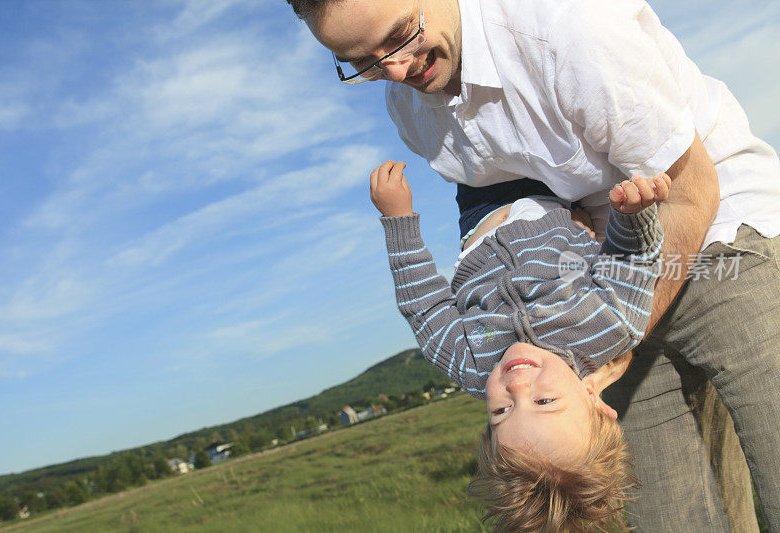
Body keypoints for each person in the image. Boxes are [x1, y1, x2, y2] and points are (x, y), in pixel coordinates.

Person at [291, 0, 780, 528]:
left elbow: (689, 193)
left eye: (401, 34)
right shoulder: (411, 109)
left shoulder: (569, 27)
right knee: (673, 519)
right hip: (600, 281)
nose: (393, 70)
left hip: (715, 239)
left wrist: (616, 339)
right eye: (361, 61)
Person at [371, 159, 667, 529]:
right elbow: (634, 261)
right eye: (544, 402)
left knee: (474, 130)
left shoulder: (471, 365)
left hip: (482, 212)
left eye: (501, 412)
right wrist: (633, 215)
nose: (517, 386)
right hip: (553, 191)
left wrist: (399, 222)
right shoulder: (610, 326)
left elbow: (424, 308)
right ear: (593, 399)